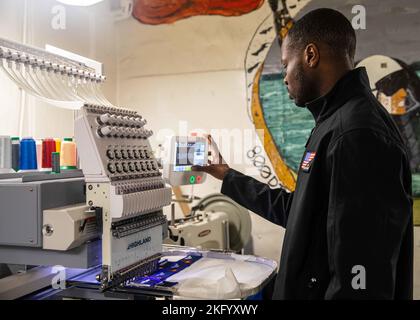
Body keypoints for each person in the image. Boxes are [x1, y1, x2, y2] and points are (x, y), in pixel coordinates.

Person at [193, 8, 413, 299]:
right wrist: (225, 175)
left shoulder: (355, 133)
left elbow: (362, 274)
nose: (284, 77)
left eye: (285, 65)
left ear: (310, 55)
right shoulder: (335, 122)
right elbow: (299, 212)